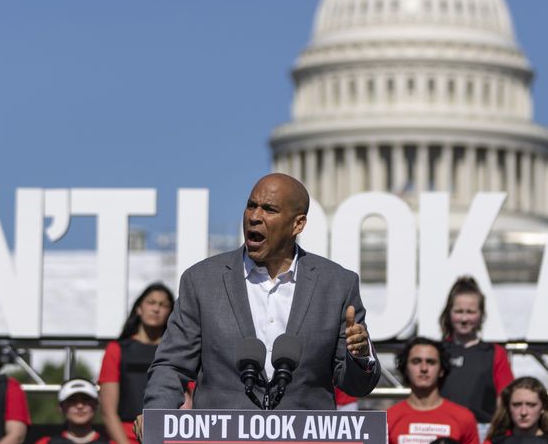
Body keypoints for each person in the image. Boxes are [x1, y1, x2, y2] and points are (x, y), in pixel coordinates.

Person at [141, 173, 379, 411]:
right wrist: (156, 417)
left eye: (269, 209)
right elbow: (171, 366)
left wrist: (359, 357)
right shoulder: (202, 281)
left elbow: (356, 386)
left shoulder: (337, 285)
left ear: (298, 224)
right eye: (251, 206)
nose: (254, 217)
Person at [98, 283, 175, 444]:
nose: (156, 309)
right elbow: (108, 411)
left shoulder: (177, 351)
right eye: (151, 302)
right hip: (126, 441)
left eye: (163, 305)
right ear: (139, 308)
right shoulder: (117, 350)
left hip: (169, 441)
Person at [437, 276, 514, 429]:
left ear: (481, 315)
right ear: (449, 313)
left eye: (471, 312)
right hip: (442, 427)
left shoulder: (495, 353)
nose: (464, 318)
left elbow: (506, 399)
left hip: (481, 429)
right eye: (458, 311)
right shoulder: (437, 351)